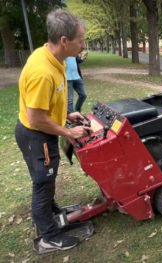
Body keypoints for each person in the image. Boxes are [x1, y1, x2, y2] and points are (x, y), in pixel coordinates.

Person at [14, 9, 92, 251]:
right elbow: (35, 118)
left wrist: (66, 115)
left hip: (38, 132)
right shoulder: (42, 72)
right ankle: (48, 237)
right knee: (43, 183)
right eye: (80, 40)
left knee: (45, 181)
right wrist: (68, 132)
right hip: (37, 135)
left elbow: (46, 103)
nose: (83, 45)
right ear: (64, 41)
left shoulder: (53, 57)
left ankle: (51, 213)